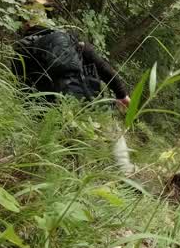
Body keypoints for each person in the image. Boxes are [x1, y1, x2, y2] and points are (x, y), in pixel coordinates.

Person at [11, 24, 137, 174]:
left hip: (49, 111)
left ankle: (67, 176)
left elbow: (22, 91)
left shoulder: (22, 53)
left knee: (66, 147)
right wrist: (122, 94)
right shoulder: (70, 41)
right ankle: (125, 171)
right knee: (113, 133)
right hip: (85, 101)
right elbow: (104, 68)